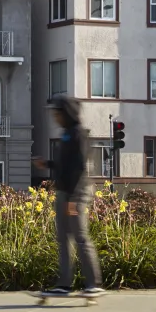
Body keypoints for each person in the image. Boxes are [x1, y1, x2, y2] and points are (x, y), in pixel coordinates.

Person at [32, 95, 104, 296]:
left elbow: (79, 167)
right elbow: (65, 165)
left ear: (66, 114)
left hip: (76, 193)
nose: (55, 118)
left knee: (80, 237)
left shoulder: (79, 134)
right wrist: (46, 164)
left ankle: (94, 284)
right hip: (63, 191)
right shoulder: (65, 135)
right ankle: (64, 284)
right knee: (63, 238)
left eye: (57, 114)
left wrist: (73, 199)